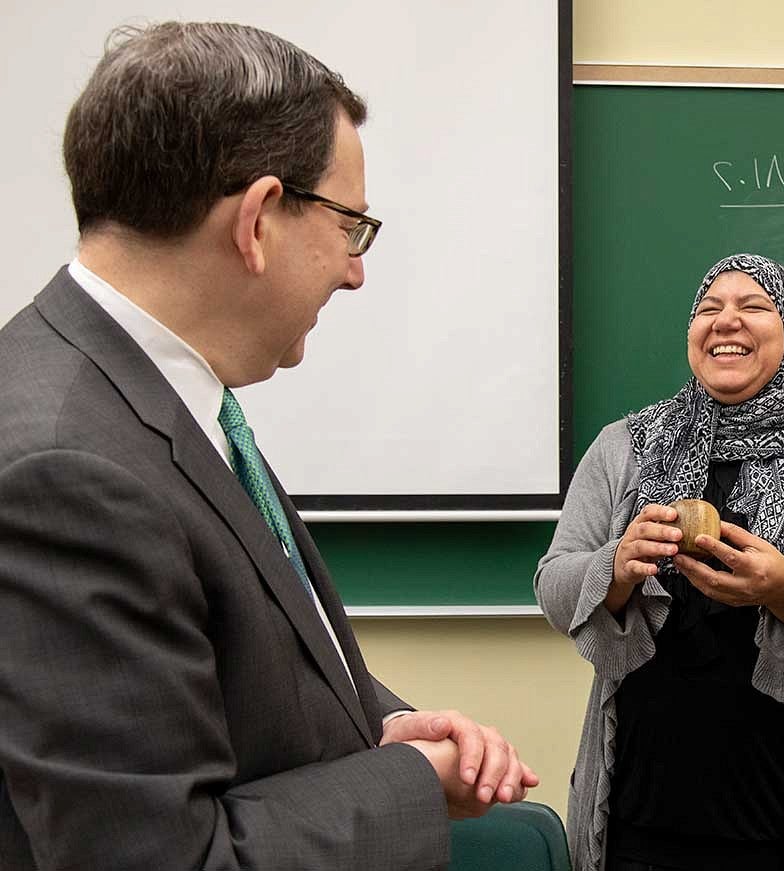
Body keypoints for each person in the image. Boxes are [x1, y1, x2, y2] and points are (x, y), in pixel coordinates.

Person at [0, 21, 537, 871]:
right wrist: (408, 778)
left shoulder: (149, 392)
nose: (355, 271)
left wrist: (389, 723)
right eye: (350, 226)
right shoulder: (65, 469)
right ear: (256, 220)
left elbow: (251, 671)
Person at [535, 253, 784, 871]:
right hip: (636, 824)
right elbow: (553, 585)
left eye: (754, 307)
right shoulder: (626, 451)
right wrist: (615, 568)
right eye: (708, 309)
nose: (725, 321)